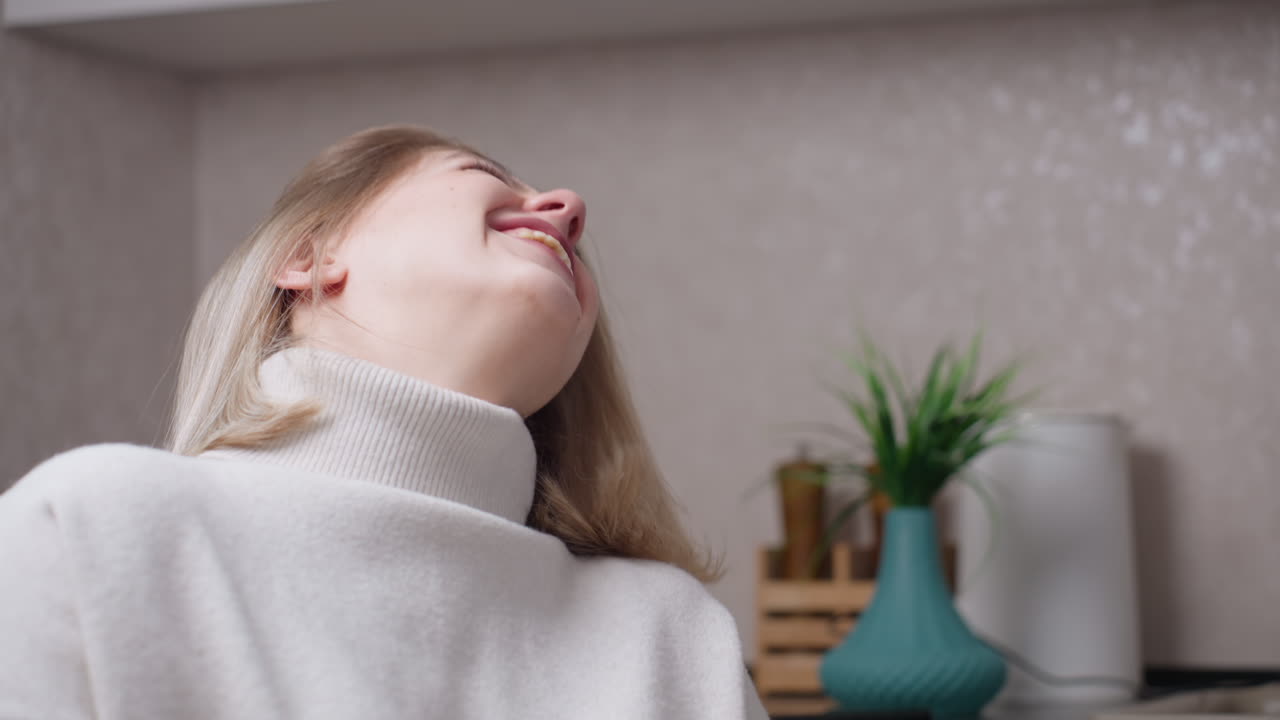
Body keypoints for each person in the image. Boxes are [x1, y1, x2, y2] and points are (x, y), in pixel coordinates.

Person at [0, 124, 771, 719]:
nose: (569, 208)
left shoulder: (675, 637)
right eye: (481, 173)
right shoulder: (95, 529)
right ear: (307, 258)